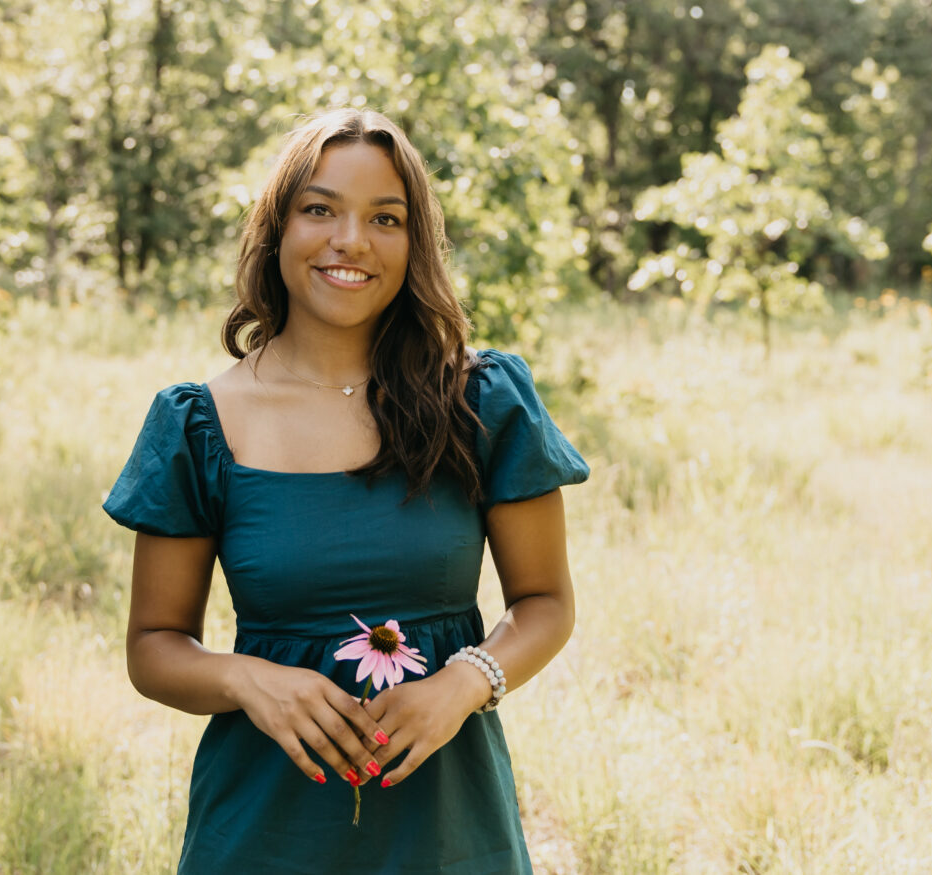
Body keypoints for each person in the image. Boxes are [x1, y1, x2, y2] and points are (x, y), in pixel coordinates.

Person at [104, 108, 590, 873]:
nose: (350, 241)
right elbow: (153, 646)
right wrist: (248, 677)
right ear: (278, 229)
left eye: (384, 218)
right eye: (320, 209)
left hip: (447, 832)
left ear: (414, 241)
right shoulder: (198, 423)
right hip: (262, 835)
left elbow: (546, 603)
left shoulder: (482, 399)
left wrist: (468, 679)